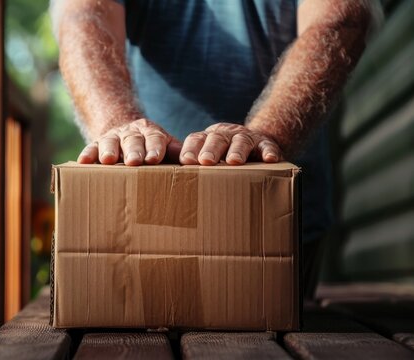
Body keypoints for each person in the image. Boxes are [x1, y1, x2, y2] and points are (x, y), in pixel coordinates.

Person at [50, 0, 381, 296]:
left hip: (276, 220)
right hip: (137, 222)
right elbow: (84, 14)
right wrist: (116, 124)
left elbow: (342, 13)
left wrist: (269, 136)